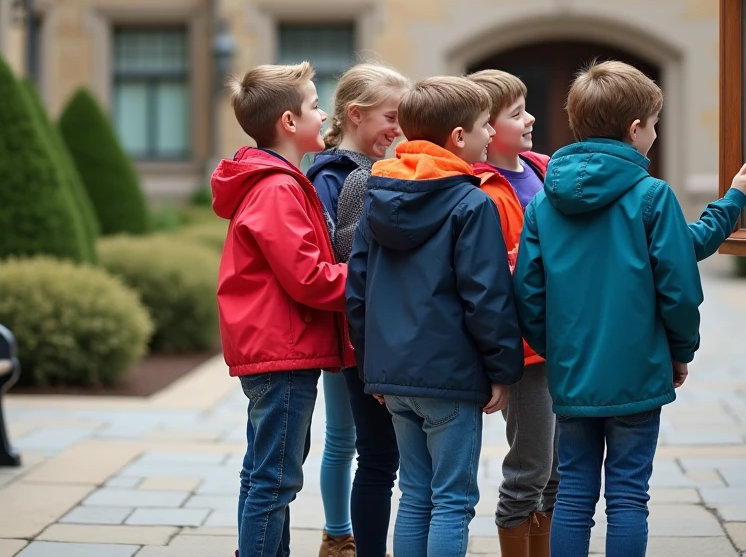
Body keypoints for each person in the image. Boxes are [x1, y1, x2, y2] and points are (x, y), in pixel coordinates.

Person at [512, 60, 746, 557]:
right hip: (637, 371)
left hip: (572, 373)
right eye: (654, 124)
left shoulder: (543, 203)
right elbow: (679, 286)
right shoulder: (652, 196)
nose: (655, 133)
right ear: (635, 129)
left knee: (573, 496)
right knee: (629, 496)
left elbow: (529, 292)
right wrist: (679, 350)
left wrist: (557, 351)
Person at [346, 76, 525, 557]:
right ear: (459, 138)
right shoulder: (471, 202)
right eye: (486, 125)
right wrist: (503, 371)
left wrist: (371, 367)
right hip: (450, 377)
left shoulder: (377, 194)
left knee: (416, 496)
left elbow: (357, 292)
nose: (492, 135)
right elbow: (486, 297)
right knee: (452, 500)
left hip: (394, 377)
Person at [211, 62, 349, 557]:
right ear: (289, 123)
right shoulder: (277, 188)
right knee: (275, 481)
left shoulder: (279, 180)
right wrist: (368, 281)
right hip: (284, 353)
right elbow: (309, 278)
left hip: (278, 351)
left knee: (264, 475)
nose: (324, 112)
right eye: (315, 105)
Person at [307, 63, 411, 557]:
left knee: (353, 439)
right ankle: (337, 533)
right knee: (344, 438)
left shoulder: (376, 169)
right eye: (390, 117)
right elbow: (334, 253)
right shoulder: (331, 177)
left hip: (359, 327)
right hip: (345, 329)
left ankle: (343, 533)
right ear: (354, 114)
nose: (397, 130)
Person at [466, 70, 554, 557]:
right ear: (484, 126)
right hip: (523, 350)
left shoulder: (544, 172)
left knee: (559, 468)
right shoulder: (478, 187)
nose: (530, 119)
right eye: (517, 113)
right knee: (531, 465)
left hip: (562, 340)